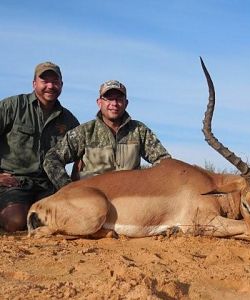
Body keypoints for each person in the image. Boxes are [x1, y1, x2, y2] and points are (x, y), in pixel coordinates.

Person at [43, 79, 171, 190]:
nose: (114, 104)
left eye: (119, 99)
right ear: (99, 102)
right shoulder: (85, 132)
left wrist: (148, 186)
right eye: (109, 98)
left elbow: (165, 163)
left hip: (130, 203)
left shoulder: (139, 130)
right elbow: (51, 159)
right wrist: (68, 189)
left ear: (126, 103)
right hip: (91, 203)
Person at [0, 61, 80, 232]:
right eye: (45, 81)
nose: (50, 86)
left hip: (49, 186)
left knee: (65, 219)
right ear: (34, 83)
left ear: (61, 85)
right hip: (14, 183)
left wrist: (75, 187)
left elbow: (82, 155)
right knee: (16, 222)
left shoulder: (69, 120)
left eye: (55, 81)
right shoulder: (12, 106)